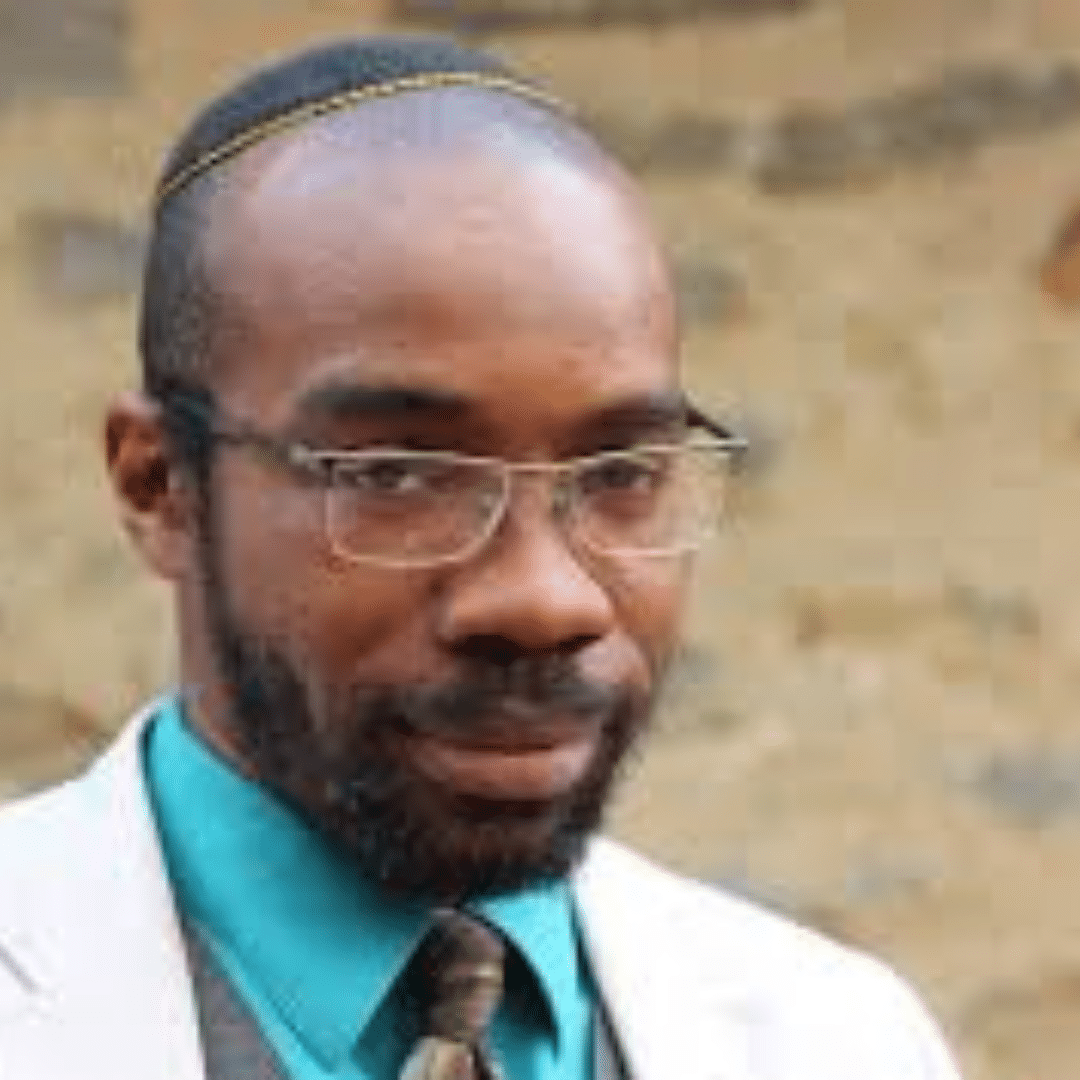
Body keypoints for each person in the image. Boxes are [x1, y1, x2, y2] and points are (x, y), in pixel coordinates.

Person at [0, 34, 962, 1080]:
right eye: (399, 474)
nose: (544, 598)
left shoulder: (841, 1039)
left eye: (619, 471)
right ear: (161, 485)